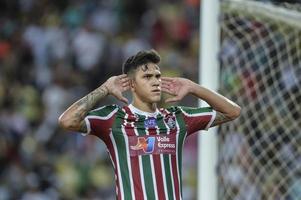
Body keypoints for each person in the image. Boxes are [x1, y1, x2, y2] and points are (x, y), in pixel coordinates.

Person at [58, 49, 241, 199]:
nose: (155, 82)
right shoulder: (114, 118)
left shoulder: (177, 118)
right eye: (147, 77)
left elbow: (232, 111)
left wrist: (193, 87)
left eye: (157, 76)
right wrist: (104, 89)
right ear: (131, 84)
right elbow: (68, 121)